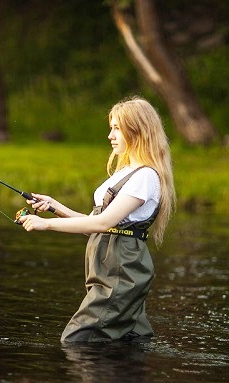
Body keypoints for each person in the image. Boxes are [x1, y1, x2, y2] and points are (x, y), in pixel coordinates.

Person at [18, 96, 175, 343]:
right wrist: (55, 207)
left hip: (120, 271)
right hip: (109, 268)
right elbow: (97, 225)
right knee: (130, 342)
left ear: (138, 130)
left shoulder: (145, 177)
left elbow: (102, 224)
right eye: (111, 128)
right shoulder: (126, 173)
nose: (110, 135)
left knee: (76, 340)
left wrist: (45, 224)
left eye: (116, 128)